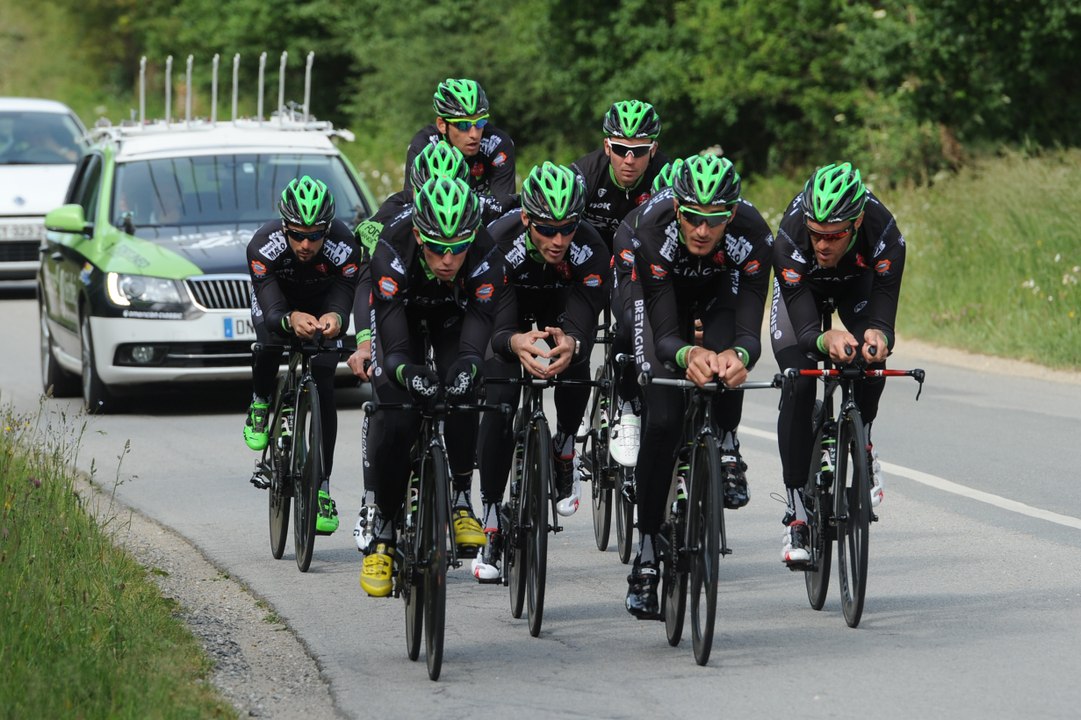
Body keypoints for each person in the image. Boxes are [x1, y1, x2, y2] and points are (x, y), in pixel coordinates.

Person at [614, 154, 773, 618]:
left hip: (720, 290)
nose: (703, 230)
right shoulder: (652, 230)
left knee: (724, 369)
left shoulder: (752, 235)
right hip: (660, 297)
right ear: (677, 210)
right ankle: (646, 550)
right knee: (663, 420)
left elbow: (748, 331)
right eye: (693, 219)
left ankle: (725, 442)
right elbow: (665, 336)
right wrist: (688, 355)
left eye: (715, 220)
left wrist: (738, 357)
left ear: (731, 214)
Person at [358, 176, 506, 598]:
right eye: (438, 248)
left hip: (452, 317)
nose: (448, 259)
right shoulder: (392, 246)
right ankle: (384, 531)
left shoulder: (485, 254)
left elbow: (475, 343)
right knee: (395, 416)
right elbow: (394, 351)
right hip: (400, 316)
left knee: (464, 391)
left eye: (458, 248)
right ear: (420, 235)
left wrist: (469, 368)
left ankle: (460, 498)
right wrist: (407, 373)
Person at [471, 162, 610, 581]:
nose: (559, 240)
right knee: (499, 400)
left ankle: (565, 445)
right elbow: (492, 322)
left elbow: (585, 314)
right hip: (509, 307)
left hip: (561, 305)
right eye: (547, 229)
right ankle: (490, 517)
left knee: (576, 356)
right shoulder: (497, 240)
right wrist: (513, 342)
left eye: (567, 229)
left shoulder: (590, 247)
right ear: (527, 218)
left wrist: (573, 341)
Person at [771, 162, 905, 566]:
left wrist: (879, 338)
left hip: (855, 284)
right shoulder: (791, 236)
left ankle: (862, 438)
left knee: (871, 356)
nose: (822, 245)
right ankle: (796, 513)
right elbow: (804, 328)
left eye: (833, 236)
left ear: (857, 222)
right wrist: (822, 338)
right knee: (798, 381)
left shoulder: (884, 233)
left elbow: (883, 317)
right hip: (802, 291)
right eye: (816, 234)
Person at [349, 140, 470, 551]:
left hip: (445, 311)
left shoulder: (470, 218)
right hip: (395, 304)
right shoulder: (393, 215)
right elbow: (368, 281)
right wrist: (365, 342)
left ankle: (461, 498)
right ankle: (374, 502)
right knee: (391, 405)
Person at [243, 176, 363, 535]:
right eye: (297, 235)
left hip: (321, 301)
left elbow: (344, 297)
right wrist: (289, 319)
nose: (306, 244)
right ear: (285, 228)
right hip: (279, 300)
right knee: (270, 342)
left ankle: (322, 487)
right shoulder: (262, 246)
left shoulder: (346, 246)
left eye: (315, 235)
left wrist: (336, 318)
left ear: (328, 229)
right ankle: (261, 401)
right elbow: (271, 307)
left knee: (324, 380)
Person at [571, 100, 669, 469]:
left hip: (636, 260)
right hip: (590, 258)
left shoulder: (666, 175)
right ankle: (580, 403)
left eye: (639, 150)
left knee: (631, 322)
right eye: (620, 149)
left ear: (653, 149)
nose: (629, 160)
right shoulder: (585, 175)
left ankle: (629, 402)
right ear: (607, 146)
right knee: (578, 327)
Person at [404, 78, 517, 223]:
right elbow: (412, 207)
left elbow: (504, 210)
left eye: (480, 122)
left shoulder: (498, 144)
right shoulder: (423, 146)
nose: (474, 134)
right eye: (463, 125)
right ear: (442, 125)